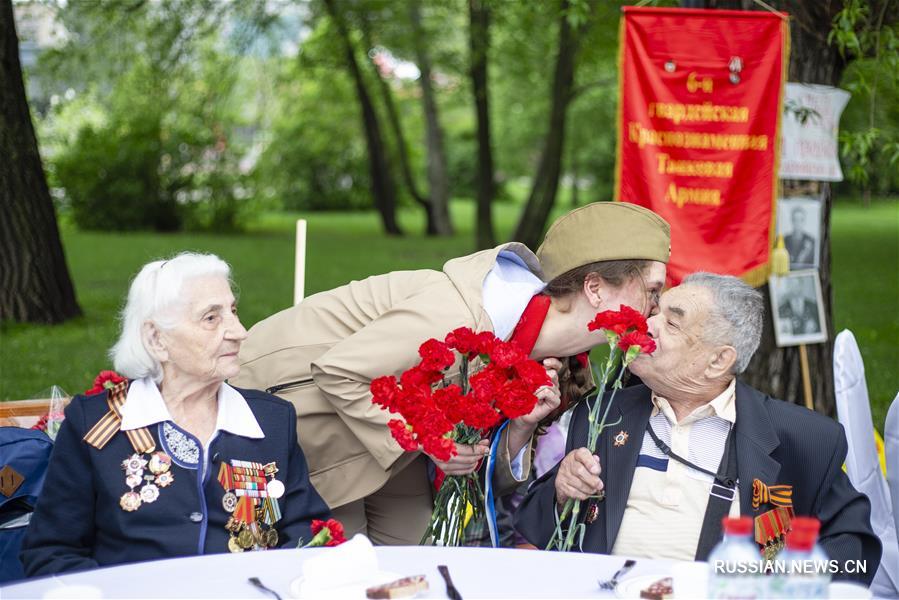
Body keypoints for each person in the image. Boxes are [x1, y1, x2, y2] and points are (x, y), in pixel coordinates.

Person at [231, 201, 671, 545]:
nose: (657, 311)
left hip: (389, 446)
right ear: (594, 288)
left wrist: (519, 429)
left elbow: (482, 479)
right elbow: (338, 374)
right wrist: (433, 442)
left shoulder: (556, 363)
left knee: (417, 563)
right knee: (345, 568)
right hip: (303, 419)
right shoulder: (456, 313)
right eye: (652, 292)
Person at [516, 273, 881, 584]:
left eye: (671, 323)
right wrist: (561, 491)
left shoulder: (802, 439)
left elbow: (856, 551)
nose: (647, 324)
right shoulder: (602, 415)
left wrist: (781, 586)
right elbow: (536, 529)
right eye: (656, 312)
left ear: (718, 360)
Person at [20, 253, 329, 577]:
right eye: (212, 318)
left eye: (233, 311)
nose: (239, 331)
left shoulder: (270, 421)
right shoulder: (95, 424)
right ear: (157, 339)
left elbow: (305, 531)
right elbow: (52, 553)